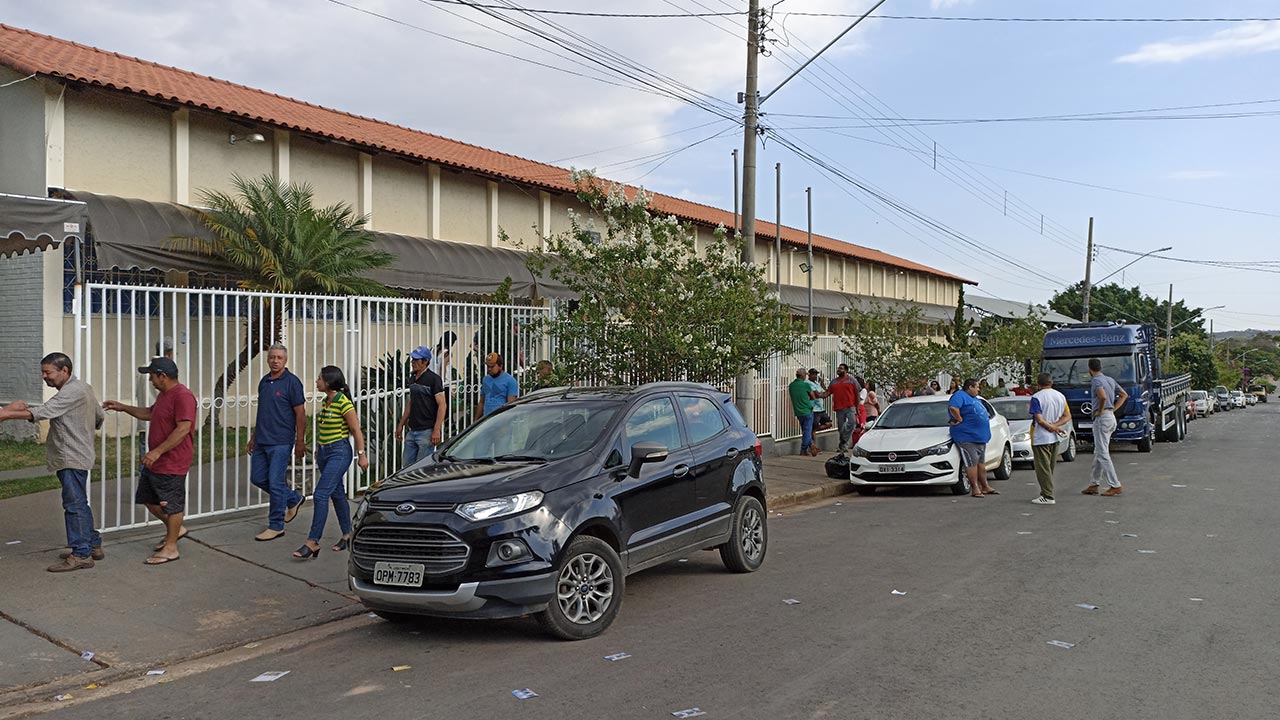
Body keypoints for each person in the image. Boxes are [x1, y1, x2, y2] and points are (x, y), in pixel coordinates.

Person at [0, 353, 105, 572]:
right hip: (79, 454)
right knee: (79, 503)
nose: (44, 377)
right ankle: (91, 545)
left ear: (64, 371)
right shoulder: (83, 388)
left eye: (47, 372)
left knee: (73, 505)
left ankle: (81, 554)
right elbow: (99, 417)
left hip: (71, 456)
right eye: (43, 372)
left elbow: (44, 412)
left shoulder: (71, 392)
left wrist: (6, 414)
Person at [103, 357, 196, 565]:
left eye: (152, 376)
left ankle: (171, 547)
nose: (150, 380)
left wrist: (157, 452)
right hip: (157, 461)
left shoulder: (183, 396)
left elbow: (183, 429)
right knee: (148, 499)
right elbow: (149, 413)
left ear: (162, 376)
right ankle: (176, 529)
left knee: (172, 505)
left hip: (172, 461)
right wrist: (122, 407)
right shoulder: (164, 395)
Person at [294, 366, 368, 559]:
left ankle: (312, 542)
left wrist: (361, 455)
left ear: (328, 382)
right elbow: (325, 427)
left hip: (339, 452)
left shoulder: (344, 404)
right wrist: (319, 446)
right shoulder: (327, 401)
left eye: (319, 379)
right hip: (325, 453)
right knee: (337, 494)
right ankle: (347, 534)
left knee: (320, 495)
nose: (317, 381)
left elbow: (356, 430)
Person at [246, 344, 306, 542]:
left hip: (280, 442)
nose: (275, 361)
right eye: (272, 357)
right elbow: (262, 411)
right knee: (257, 478)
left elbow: (300, 414)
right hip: (262, 440)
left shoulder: (292, 382)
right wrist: (254, 436)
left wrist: (300, 441)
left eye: (279, 357)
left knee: (275, 481)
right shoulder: (264, 382)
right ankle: (293, 498)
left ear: (285, 360)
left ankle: (276, 525)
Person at [1082, 358, 1129, 497]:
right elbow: (1124, 395)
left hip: (1101, 418)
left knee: (1102, 453)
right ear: (1101, 367)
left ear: (1089, 368)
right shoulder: (1109, 379)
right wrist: (1113, 409)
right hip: (1110, 417)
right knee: (1099, 451)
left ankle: (1115, 485)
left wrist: (1100, 410)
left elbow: (1101, 396)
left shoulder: (1096, 381)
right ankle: (1094, 484)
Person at [397, 346, 446, 467]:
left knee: (421, 468)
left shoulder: (433, 379)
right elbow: (411, 402)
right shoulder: (413, 378)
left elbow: (442, 405)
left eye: (416, 360)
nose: (413, 362)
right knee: (406, 467)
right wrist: (401, 424)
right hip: (413, 430)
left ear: (425, 362)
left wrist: (436, 429)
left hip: (426, 431)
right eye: (412, 359)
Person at [948, 378, 997, 498]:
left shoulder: (974, 399)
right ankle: (975, 488)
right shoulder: (959, 395)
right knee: (972, 463)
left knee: (981, 463)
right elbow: (953, 408)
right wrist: (959, 419)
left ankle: (985, 486)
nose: (978, 389)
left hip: (980, 437)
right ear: (970, 387)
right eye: (977, 387)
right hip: (967, 437)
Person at [1028, 372, 1071, 506]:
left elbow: (1039, 419)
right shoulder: (1060, 396)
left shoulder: (1036, 398)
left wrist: (1050, 427)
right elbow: (1067, 416)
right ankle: (1046, 491)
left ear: (1038, 384)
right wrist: (1055, 426)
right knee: (1050, 467)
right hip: (1054, 437)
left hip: (1040, 436)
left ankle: (1047, 495)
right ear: (1051, 382)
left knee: (1042, 467)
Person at [826, 364, 861, 454]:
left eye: (841, 368)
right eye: (838, 368)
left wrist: (857, 407)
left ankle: (843, 441)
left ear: (846, 370)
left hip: (850, 406)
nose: (839, 370)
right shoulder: (834, 382)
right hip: (839, 407)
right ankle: (843, 446)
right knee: (841, 428)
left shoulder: (852, 380)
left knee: (852, 422)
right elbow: (828, 392)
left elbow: (857, 394)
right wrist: (818, 394)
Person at [476, 352, 519, 420]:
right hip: (487, 420)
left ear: (500, 366)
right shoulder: (486, 380)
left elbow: (511, 405)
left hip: (501, 421)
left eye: (492, 366)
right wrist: (476, 420)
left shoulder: (510, 381)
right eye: (488, 366)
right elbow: (482, 402)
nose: (489, 369)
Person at [788, 368, 819, 456]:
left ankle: (809, 445)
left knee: (805, 431)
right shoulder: (805, 385)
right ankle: (804, 449)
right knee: (807, 431)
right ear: (802, 376)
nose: (806, 377)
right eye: (805, 375)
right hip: (807, 410)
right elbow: (813, 396)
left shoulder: (791, 385)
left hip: (798, 411)